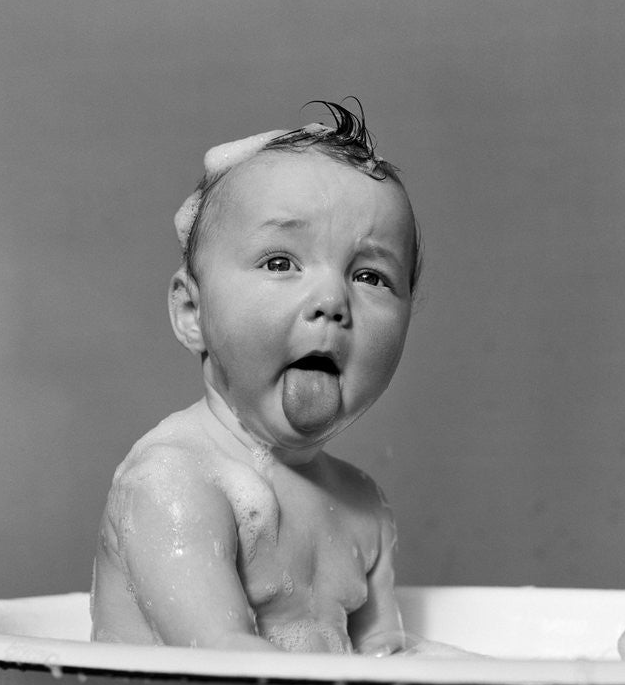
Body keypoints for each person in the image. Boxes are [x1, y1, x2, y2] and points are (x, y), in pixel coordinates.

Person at [90, 102, 421, 654]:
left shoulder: (364, 506)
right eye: (280, 263)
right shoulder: (172, 483)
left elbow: (390, 661)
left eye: (370, 276)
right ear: (192, 313)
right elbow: (224, 663)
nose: (332, 301)